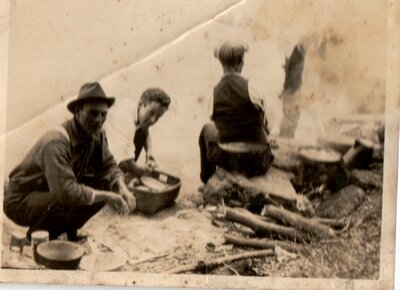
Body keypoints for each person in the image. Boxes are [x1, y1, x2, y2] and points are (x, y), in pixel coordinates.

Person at [3, 82, 135, 241]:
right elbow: (65, 191)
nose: (99, 120)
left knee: (105, 185)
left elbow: (109, 166)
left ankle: (70, 231)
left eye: (103, 114)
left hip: (50, 191)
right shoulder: (56, 141)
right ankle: (39, 236)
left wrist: (121, 187)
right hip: (21, 199)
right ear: (78, 111)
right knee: (70, 197)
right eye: (93, 113)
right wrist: (108, 197)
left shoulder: (96, 134)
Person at [199, 42, 274, 183]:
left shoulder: (214, 92)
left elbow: (215, 120)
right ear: (241, 62)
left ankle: (206, 180)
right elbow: (267, 123)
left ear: (221, 64)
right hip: (257, 162)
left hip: (228, 160)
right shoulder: (254, 88)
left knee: (206, 129)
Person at [118, 88, 171, 180]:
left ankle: (126, 175)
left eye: (158, 116)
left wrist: (149, 153)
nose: (153, 120)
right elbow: (124, 159)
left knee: (142, 131)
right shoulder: (125, 118)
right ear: (140, 104)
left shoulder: (138, 112)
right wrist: (141, 171)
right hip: (96, 164)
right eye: (151, 113)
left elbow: (146, 130)